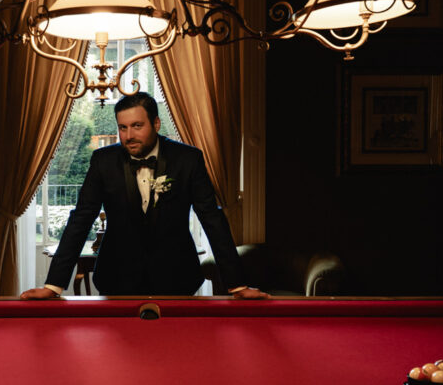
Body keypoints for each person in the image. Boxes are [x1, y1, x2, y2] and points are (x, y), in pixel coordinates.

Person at [21, 92, 268, 299]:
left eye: (137, 126)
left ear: (156, 124)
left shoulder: (188, 159)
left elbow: (211, 219)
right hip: (117, 278)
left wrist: (238, 285)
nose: (129, 135)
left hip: (177, 277)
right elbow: (81, 218)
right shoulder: (103, 161)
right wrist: (53, 286)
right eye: (123, 127)